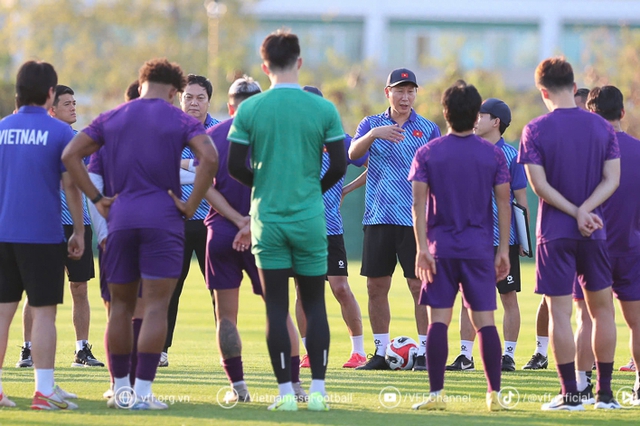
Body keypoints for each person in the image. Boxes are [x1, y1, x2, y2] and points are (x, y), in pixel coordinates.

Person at [61, 58, 218, 410]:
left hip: (120, 219)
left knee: (120, 307)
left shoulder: (112, 117)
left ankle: (119, 390)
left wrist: (98, 198)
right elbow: (209, 158)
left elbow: (71, 155)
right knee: (157, 307)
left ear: (142, 81)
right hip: (163, 220)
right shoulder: (178, 118)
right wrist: (191, 204)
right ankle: (144, 392)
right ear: (175, 90)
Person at [227, 30, 346, 411]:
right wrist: (314, 189)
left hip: (268, 218)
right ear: (299, 62)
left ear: (264, 67)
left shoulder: (249, 109)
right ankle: (319, 393)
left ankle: (284, 396)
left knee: (275, 308)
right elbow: (341, 165)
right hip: (311, 217)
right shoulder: (323, 109)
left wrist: (262, 184)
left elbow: (233, 166)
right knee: (315, 304)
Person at [518, 57, 620, 411]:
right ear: (574, 87)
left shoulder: (534, 129)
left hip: (554, 232)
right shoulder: (603, 129)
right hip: (594, 231)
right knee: (602, 311)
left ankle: (571, 395)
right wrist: (586, 210)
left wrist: (574, 211)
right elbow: (613, 179)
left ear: (543, 91)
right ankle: (604, 395)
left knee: (560, 314)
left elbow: (539, 185)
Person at [409, 80, 510, 411]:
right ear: (476, 114)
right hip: (479, 249)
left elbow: (418, 205)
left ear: (445, 112)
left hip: (440, 250)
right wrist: (504, 251)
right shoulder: (493, 154)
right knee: (485, 322)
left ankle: (436, 396)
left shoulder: (427, 152)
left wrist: (422, 248)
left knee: (439, 320)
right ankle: (494, 396)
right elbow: (505, 204)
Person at [204, 76, 306, 403]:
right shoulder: (278, 138)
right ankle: (293, 386)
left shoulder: (211, 137)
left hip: (221, 232)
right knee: (278, 311)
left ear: (229, 105)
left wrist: (236, 221)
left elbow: (204, 187)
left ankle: (238, 387)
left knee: (225, 317)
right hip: (266, 232)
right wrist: (251, 223)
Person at [0, 61, 84, 410]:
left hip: (4, 235)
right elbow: (71, 187)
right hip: (43, 236)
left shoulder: (1, 128)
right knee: (44, 313)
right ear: (51, 93)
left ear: (18, 91)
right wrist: (79, 230)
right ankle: (44, 390)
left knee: (3, 313)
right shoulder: (60, 132)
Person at [349, 68, 440, 371]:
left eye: (411, 90)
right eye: (399, 90)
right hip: (378, 217)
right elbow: (353, 155)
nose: (405, 96)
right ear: (387, 92)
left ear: (416, 93)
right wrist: (374, 135)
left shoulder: (428, 129)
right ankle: (380, 352)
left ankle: (426, 353)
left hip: (415, 221)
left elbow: (436, 173)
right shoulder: (371, 124)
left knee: (419, 287)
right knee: (376, 286)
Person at [17, 85, 103, 369]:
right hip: (45, 225)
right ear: (51, 110)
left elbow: (97, 175)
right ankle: (27, 349)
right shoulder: (40, 142)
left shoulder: (82, 142)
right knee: (37, 290)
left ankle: (82, 350)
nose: (74, 108)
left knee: (80, 288)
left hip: (79, 224)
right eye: (67, 104)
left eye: (74, 102)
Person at [447, 98, 528, 372]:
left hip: (504, 242)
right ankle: (465, 356)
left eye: (480, 114)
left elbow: (521, 201)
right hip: (471, 240)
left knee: (508, 298)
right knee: (466, 298)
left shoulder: (512, 156)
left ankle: (508, 356)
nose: (475, 118)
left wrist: (524, 239)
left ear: (496, 121)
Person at [295, 85, 367, 369]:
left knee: (340, 288)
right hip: (299, 228)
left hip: (330, 228)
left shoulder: (338, 138)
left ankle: (358, 351)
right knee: (302, 292)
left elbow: (370, 161)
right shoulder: (290, 140)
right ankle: (308, 352)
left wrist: (347, 188)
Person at [585, 86, 640, 404]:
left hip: (592, 245)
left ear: (591, 115)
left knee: (592, 318)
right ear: (622, 113)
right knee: (636, 322)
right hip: (631, 246)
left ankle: (595, 388)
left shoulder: (585, 156)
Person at [161, 74, 220, 368]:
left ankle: (227, 351)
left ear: (209, 100)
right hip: (175, 220)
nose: (194, 103)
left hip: (211, 220)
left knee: (219, 290)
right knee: (169, 288)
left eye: (200, 98)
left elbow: (220, 168)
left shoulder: (219, 131)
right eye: (189, 97)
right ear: (179, 98)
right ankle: (160, 350)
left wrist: (182, 165)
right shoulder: (167, 130)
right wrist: (198, 167)